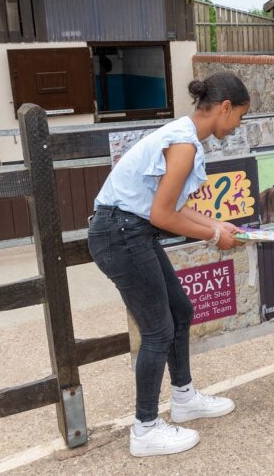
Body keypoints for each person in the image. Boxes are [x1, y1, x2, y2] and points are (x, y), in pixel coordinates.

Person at [87, 72, 249, 457]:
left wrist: (215, 224)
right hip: (121, 233)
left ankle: (184, 397)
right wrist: (213, 236)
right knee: (157, 330)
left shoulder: (182, 135)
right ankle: (144, 428)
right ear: (224, 108)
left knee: (180, 309)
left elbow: (172, 208)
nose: (238, 125)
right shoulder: (184, 144)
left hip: (129, 230)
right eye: (240, 116)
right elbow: (162, 215)